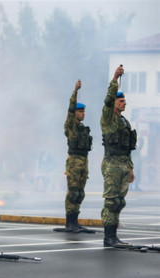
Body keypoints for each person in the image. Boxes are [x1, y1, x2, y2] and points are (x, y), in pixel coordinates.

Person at [100, 65, 137, 247]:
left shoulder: (124, 122)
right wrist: (115, 78)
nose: (125, 104)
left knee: (120, 202)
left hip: (123, 163)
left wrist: (130, 168)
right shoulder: (108, 117)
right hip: (112, 164)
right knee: (111, 201)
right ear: (114, 103)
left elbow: (128, 148)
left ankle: (114, 236)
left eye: (124, 101)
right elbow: (107, 101)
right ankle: (108, 237)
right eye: (121, 101)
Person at [63, 80, 92, 232]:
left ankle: (75, 220)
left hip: (83, 160)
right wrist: (75, 90)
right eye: (80, 111)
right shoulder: (71, 125)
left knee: (80, 192)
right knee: (73, 191)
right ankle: (70, 221)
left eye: (84, 111)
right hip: (74, 161)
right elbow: (70, 108)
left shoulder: (82, 128)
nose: (83, 114)